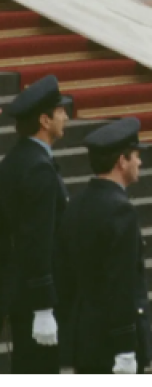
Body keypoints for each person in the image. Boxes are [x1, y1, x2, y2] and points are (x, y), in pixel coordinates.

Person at [56, 117, 152, 374]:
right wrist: (125, 346)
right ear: (122, 161)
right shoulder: (120, 211)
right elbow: (122, 283)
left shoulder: (76, 205)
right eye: (135, 156)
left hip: (84, 342)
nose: (139, 162)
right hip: (112, 345)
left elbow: (64, 277)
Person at [0, 76, 70, 374]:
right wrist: (43, 306)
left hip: (19, 289)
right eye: (60, 112)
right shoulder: (38, 169)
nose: (65, 117)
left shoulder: (17, 159)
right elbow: (36, 238)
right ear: (44, 120)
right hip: (34, 297)